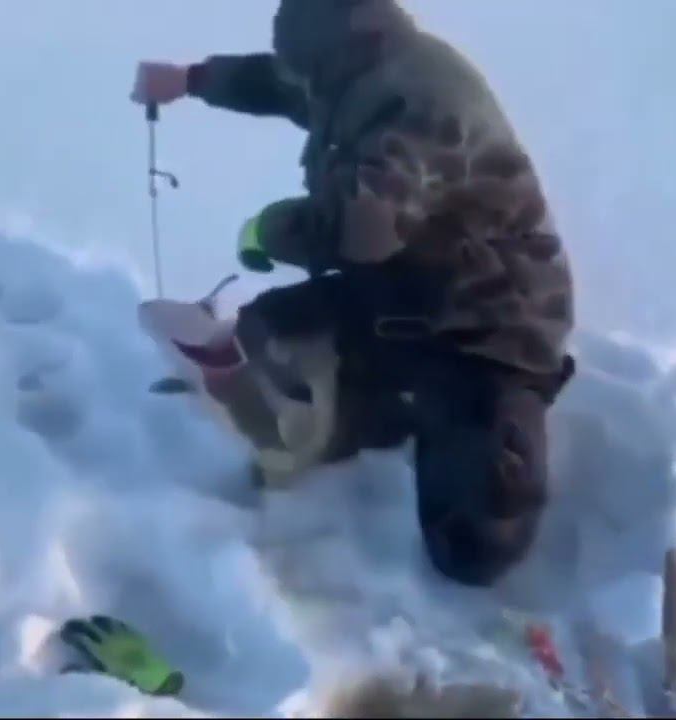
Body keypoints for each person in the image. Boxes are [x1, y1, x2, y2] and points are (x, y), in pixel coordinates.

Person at [130, 0, 575, 586]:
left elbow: (363, 226)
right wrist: (191, 80)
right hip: (405, 297)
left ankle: (450, 426)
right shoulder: (351, 72)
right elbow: (282, 84)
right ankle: (349, 423)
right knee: (266, 333)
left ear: (339, 47)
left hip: (489, 325)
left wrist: (274, 228)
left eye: (307, 66)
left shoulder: (417, 98)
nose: (301, 81)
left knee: (474, 534)